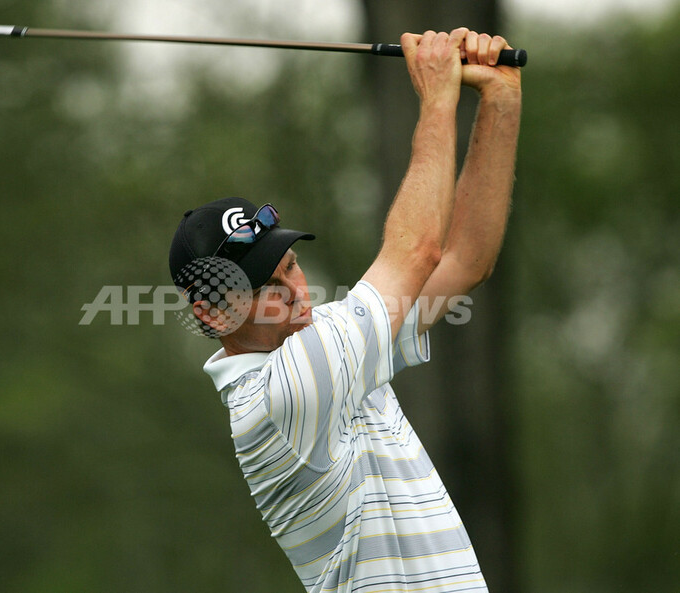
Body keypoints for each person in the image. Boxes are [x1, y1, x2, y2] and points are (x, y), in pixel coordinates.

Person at [168, 28, 521, 593]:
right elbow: (418, 251)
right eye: (264, 286)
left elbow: (465, 260)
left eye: (289, 265)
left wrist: (500, 101)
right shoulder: (281, 395)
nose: (295, 290)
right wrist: (437, 100)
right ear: (211, 316)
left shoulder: (329, 337)